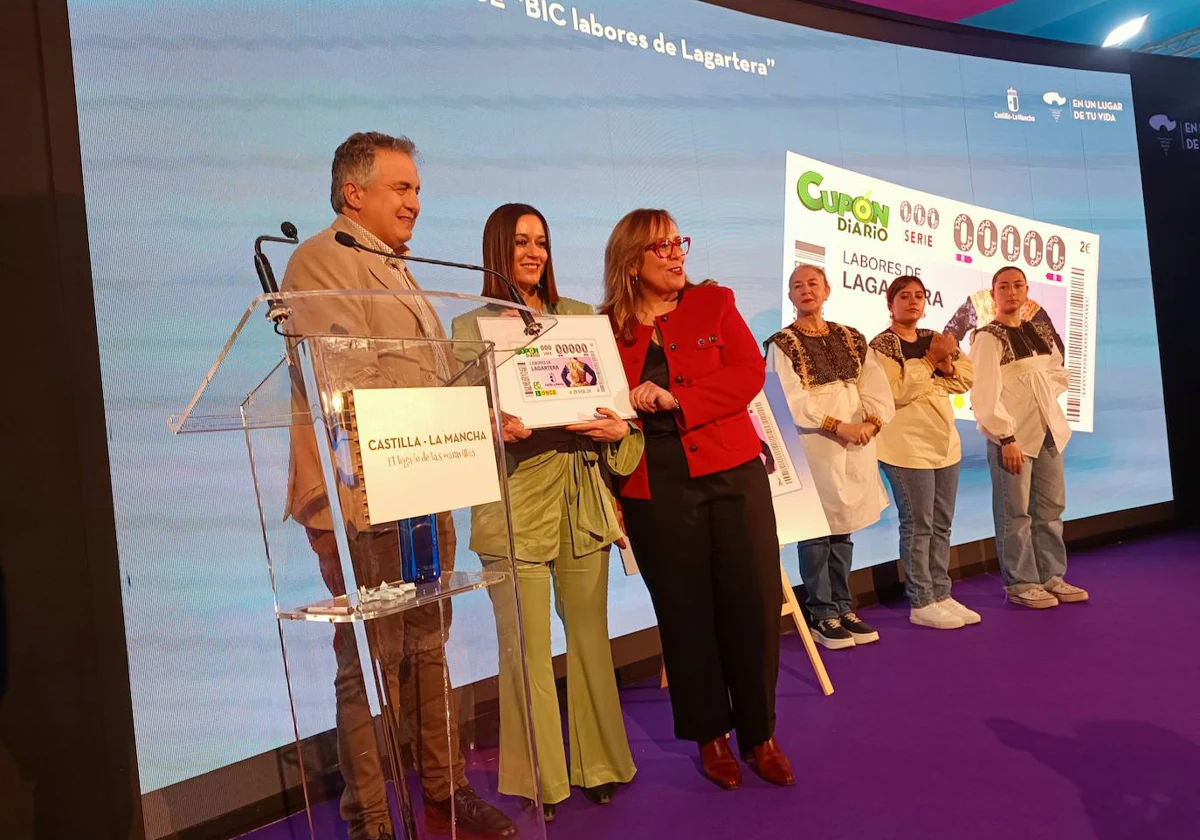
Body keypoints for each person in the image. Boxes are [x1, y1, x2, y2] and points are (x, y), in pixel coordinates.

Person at [280, 132, 519, 840]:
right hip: (360, 497)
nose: (416, 201)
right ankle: (373, 820)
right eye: (401, 188)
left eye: (416, 188)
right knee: (371, 661)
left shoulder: (399, 268)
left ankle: (443, 796)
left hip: (424, 485)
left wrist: (483, 407)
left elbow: (428, 377)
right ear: (355, 193)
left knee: (428, 647)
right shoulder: (321, 261)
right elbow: (348, 383)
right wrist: (447, 415)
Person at [450, 203, 639, 821]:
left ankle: (600, 765)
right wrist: (489, 424)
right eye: (520, 242)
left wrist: (616, 429)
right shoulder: (468, 328)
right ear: (496, 250)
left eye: (541, 242)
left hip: (582, 504)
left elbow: (623, 424)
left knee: (589, 640)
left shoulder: (583, 320)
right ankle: (540, 780)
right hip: (511, 512)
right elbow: (452, 425)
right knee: (524, 650)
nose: (533, 253)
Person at [601, 208, 792, 791]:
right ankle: (709, 735)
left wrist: (679, 399)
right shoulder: (606, 327)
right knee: (685, 613)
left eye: (678, 242)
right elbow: (597, 401)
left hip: (733, 471)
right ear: (633, 261)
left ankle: (759, 734)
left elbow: (747, 374)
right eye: (661, 247)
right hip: (654, 484)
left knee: (753, 603)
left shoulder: (715, 303)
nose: (677, 253)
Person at [765, 264, 895, 651]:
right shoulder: (782, 343)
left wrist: (871, 423)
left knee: (845, 528)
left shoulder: (852, 337)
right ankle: (822, 613)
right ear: (790, 297)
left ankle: (843, 604)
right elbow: (788, 398)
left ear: (827, 290)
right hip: (815, 444)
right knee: (818, 531)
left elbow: (873, 384)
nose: (806, 290)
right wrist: (839, 425)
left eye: (813, 284)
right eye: (797, 286)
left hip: (857, 442)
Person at [970, 265, 1089, 608]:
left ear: (1026, 290)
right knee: (1015, 512)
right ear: (993, 295)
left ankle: (1052, 575)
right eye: (1003, 286)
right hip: (1014, 439)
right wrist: (1005, 437)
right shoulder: (987, 337)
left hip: (1050, 432)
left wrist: (1040, 394)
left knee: (1050, 508)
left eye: (1017, 285)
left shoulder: (1038, 331)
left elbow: (1059, 372)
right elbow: (984, 396)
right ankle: (1021, 581)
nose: (1011, 291)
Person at [869, 275, 978, 630]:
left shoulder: (935, 338)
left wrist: (942, 365)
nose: (913, 301)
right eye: (904, 296)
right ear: (890, 304)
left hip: (944, 444)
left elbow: (964, 379)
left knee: (942, 524)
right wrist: (932, 364)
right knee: (919, 525)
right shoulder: (882, 346)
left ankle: (941, 593)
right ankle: (921, 600)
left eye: (919, 296)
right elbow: (895, 393)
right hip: (905, 448)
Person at [944, 288, 1064, 356]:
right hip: (985, 376)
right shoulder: (980, 303)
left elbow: (1058, 354)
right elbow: (950, 334)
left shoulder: (1033, 312)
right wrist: (962, 370)